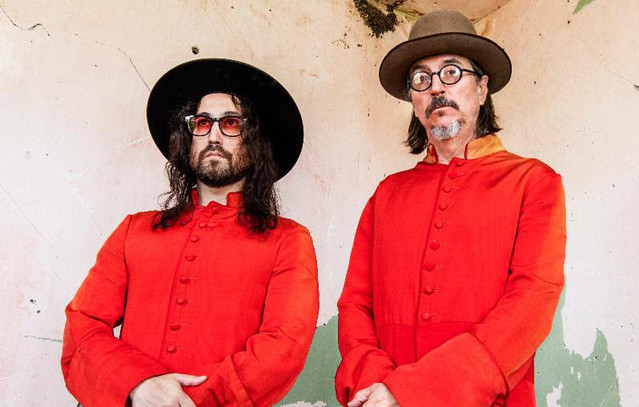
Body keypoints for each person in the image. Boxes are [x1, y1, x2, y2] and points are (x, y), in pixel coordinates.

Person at [335, 10, 566, 407]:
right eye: (421, 79)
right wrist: (375, 384)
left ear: (482, 88)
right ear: (413, 101)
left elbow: (531, 304)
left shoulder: (534, 182)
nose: (437, 87)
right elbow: (355, 304)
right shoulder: (387, 194)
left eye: (452, 72)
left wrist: (410, 392)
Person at [61, 59, 319, 407]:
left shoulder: (288, 240)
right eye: (202, 122)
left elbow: (282, 348)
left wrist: (184, 402)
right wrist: (137, 385)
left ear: (256, 140)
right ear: (189, 136)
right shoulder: (134, 230)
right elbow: (83, 326)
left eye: (231, 123)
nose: (213, 135)